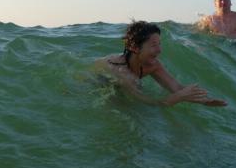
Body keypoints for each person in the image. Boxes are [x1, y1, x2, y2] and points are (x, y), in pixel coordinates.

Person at [96, 21, 227, 107]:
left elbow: (176, 87)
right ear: (135, 48)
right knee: (121, 106)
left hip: (128, 78)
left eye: (159, 44)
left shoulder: (153, 65)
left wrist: (204, 100)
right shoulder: (121, 72)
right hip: (101, 79)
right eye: (153, 45)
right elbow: (147, 103)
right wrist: (177, 98)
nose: (159, 50)